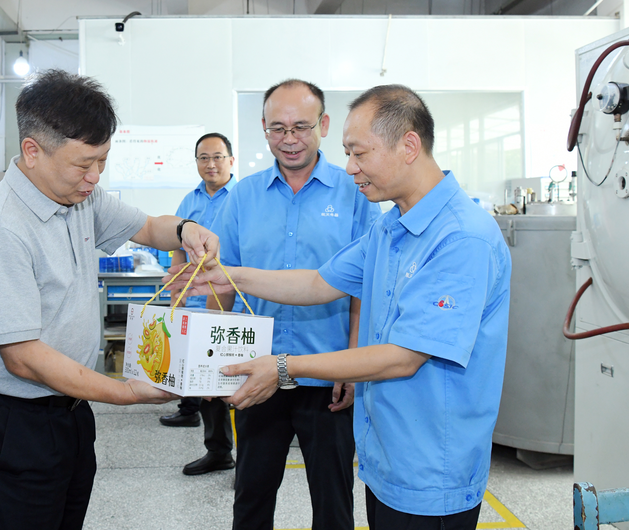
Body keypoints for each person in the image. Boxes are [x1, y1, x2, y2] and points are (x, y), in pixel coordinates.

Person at [172, 84, 512, 530]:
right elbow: (319, 282)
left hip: (433, 471)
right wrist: (229, 275)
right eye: (348, 154)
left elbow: (404, 357)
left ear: (409, 146)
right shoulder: (392, 228)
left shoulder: (460, 239)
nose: (350, 167)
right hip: (388, 458)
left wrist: (283, 366)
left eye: (359, 153)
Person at [0, 69, 218, 530]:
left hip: (70, 409)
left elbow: (147, 227)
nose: (95, 177)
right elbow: (23, 357)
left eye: (103, 161)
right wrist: (125, 393)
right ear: (32, 151)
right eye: (84, 164)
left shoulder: (79, 197)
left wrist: (185, 230)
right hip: (13, 422)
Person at [207, 79, 381, 530]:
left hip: (327, 375)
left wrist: (353, 363)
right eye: (277, 128)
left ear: (324, 125)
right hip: (257, 369)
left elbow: (364, 287)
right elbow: (223, 283)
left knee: (333, 499)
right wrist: (208, 358)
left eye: (301, 127)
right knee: (251, 495)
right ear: (263, 128)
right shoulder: (243, 197)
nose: (289, 139)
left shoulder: (355, 192)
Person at [159, 132, 242, 477]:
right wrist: (176, 293)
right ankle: (218, 451)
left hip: (233, 304)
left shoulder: (242, 197)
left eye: (217, 157)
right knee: (205, 380)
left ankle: (249, 463)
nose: (210, 164)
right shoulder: (189, 200)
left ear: (231, 160)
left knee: (236, 383)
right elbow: (177, 245)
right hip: (195, 304)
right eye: (203, 157)